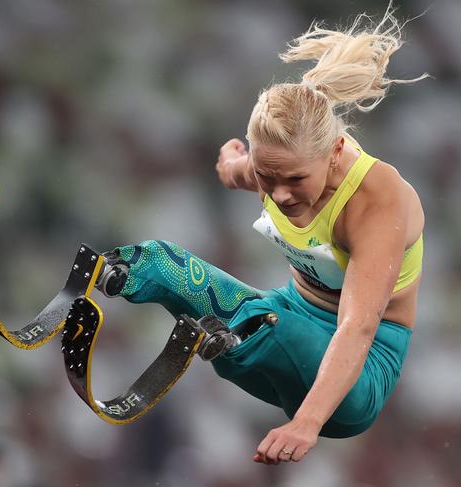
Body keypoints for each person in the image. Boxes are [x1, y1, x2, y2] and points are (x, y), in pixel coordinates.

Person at [105, 5, 426, 465]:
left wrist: (307, 422)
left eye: (295, 180)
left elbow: (358, 326)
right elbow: (232, 171)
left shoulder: (378, 202)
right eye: (265, 176)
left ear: (336, 152)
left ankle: (234, 338)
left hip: (356, 378)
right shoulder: (273, 166)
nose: (279, 194)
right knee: (160, 260)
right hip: (277, 322)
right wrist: (232, 160)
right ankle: (103, 276)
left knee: (270, 323)